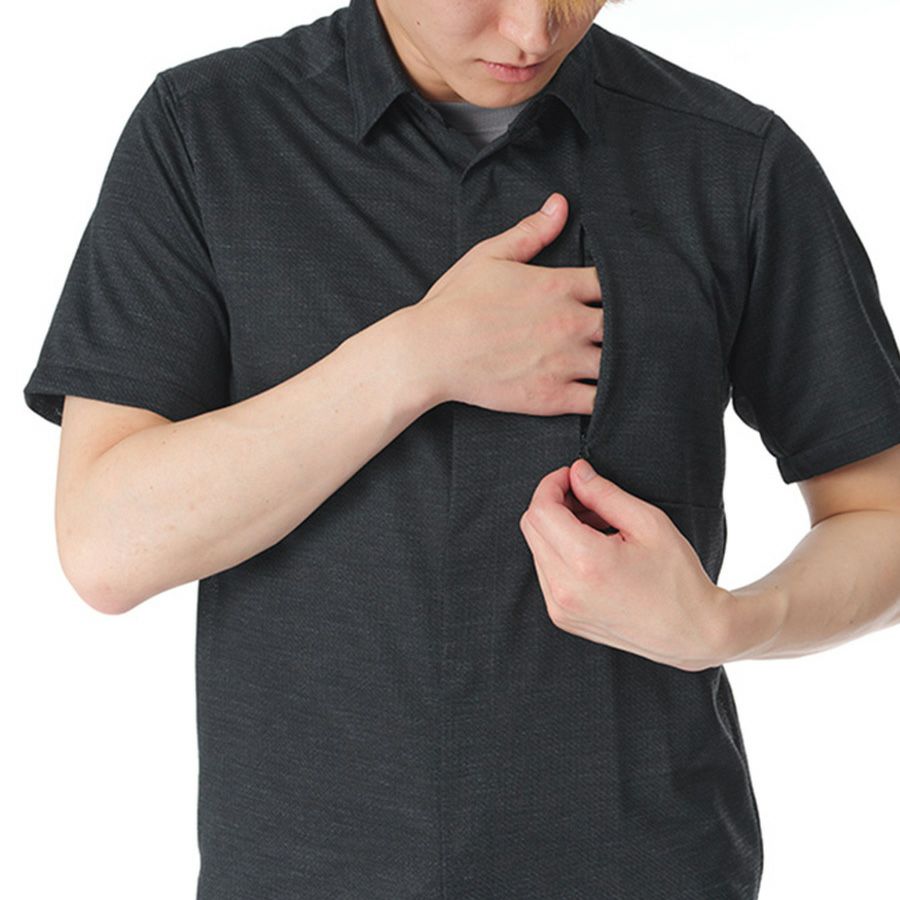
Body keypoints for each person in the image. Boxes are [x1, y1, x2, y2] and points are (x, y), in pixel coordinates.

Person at [22, 0, 900, 897]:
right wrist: (420, 356)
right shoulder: (203, 132)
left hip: (646, 868)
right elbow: (107, 546)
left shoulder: (733, 160)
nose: (532, 32)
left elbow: (882, 514)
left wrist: (729, 623)